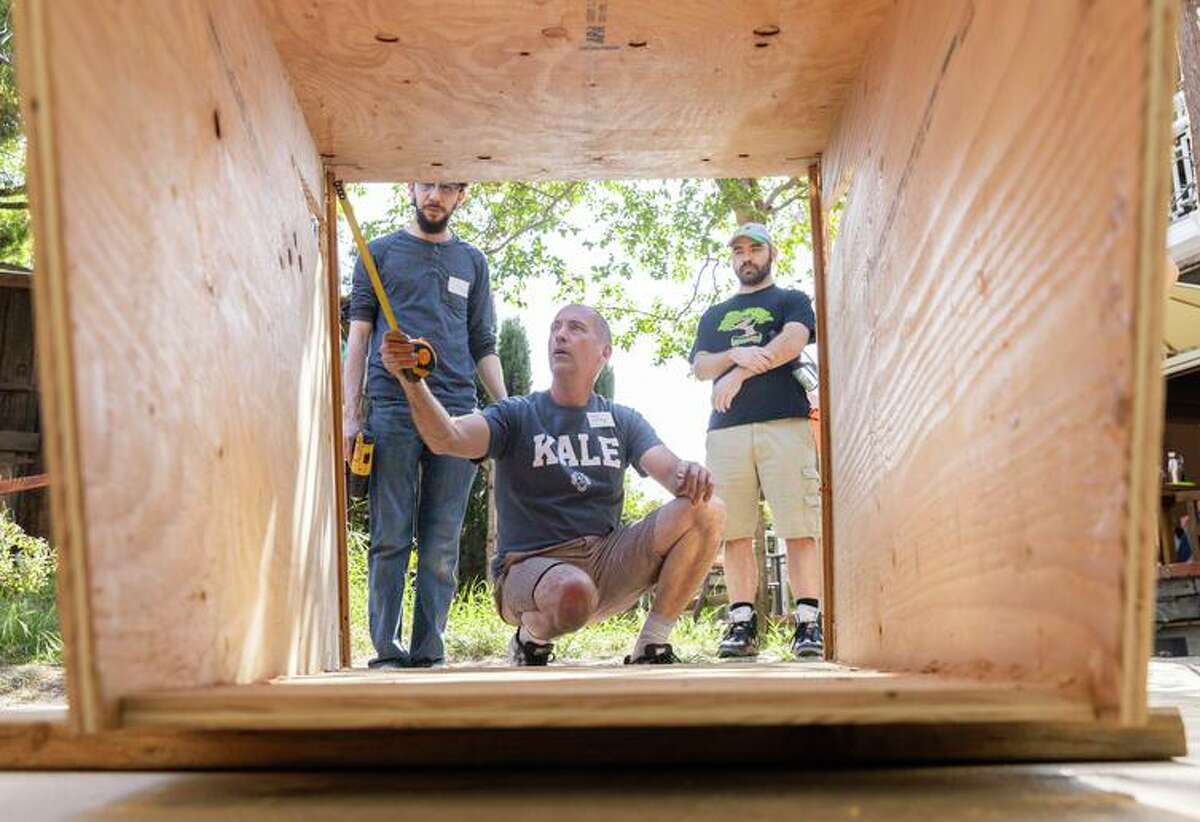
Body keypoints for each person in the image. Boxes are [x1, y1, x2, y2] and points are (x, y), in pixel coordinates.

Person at [379, 304, 725, 665]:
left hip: (606, 560)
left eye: (576, 328)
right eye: (555, 327)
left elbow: (670, 471)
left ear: (604, 352)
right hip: (531, 567)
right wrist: (411, 381)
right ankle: (530, 641)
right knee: (572, 591)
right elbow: (446, 438)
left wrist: (689, 473)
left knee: (708, 509)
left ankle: (652, 644)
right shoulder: (516, 414)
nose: (560, 334)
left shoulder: (622, 420)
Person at [343, 181, 506, 669]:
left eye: (448, 188)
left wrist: (509, 412)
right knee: (391, 534)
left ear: (462, 196)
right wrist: (352, 415)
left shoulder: (473, 262)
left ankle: (428, 652)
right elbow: (359, 335)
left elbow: (484, 342)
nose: (435, 195)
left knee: (441, 542)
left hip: (457, 411)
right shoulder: (378, 255)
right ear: (411, 189)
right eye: (427, 185)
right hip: (391, 408)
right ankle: (387, 652)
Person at [689, 222, 823, 659]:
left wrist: (743, 372)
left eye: (755, 248)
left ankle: (808, 623)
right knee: (735, 532)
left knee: (798, 528)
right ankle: (741, 623)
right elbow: (702, 366)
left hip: (785, 422)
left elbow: (792, 343)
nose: (746, 256)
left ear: (772, 254)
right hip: (726, 431)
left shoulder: (792, 301)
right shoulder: (715, 314)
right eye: (739, 250)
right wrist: (733, 356)